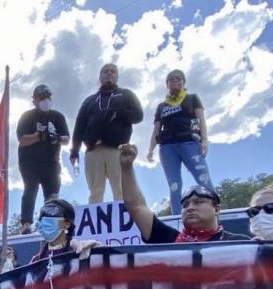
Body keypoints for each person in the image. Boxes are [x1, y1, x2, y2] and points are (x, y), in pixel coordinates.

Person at [119, 144, 247, 243]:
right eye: (185, 205)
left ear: (217, 209)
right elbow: (137, 207)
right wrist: (126, 166)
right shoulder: (168, 239)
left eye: (198, 202)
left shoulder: (241, 243)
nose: (190, 207)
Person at [70, 64, 143, 204]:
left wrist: (119, 113)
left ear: (117, 76)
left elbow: (138, 116)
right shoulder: (89, 100)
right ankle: (95, 225)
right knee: (95, 191)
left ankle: (123, 222)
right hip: (93, 150)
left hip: (117, 149)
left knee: (121, 190)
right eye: (105, 71)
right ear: (100, 77)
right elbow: (79, 126)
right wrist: (74, 151)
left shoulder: (126, 94)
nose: (109, 74)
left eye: (113, 71)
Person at [146, 70, 212, 215]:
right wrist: (150, 149)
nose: (175, 81)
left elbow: (201, 120)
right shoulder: (162, 106)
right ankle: (177, 218)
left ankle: (214, 213)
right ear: (167, 83)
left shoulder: (192, 98)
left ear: (183, 82)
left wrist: (204, 140)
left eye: (179, 79)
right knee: (174, 185)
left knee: (204, 180)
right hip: (167, 147)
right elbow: (156, 129)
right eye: (171, 79)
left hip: (190, 143)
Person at [17, 84, 70, 234]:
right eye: (41, 98)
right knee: (30, 189)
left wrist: (56, 138)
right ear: (34, 100)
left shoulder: (57, 116)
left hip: (51, 161)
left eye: (47, 97)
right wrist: (39, 136)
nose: (45, 101)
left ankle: (51, 223)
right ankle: (26, 224)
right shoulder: (27, 116)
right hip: (29, 162)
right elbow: (22, 139)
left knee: (52, 194)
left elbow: (66, 139)